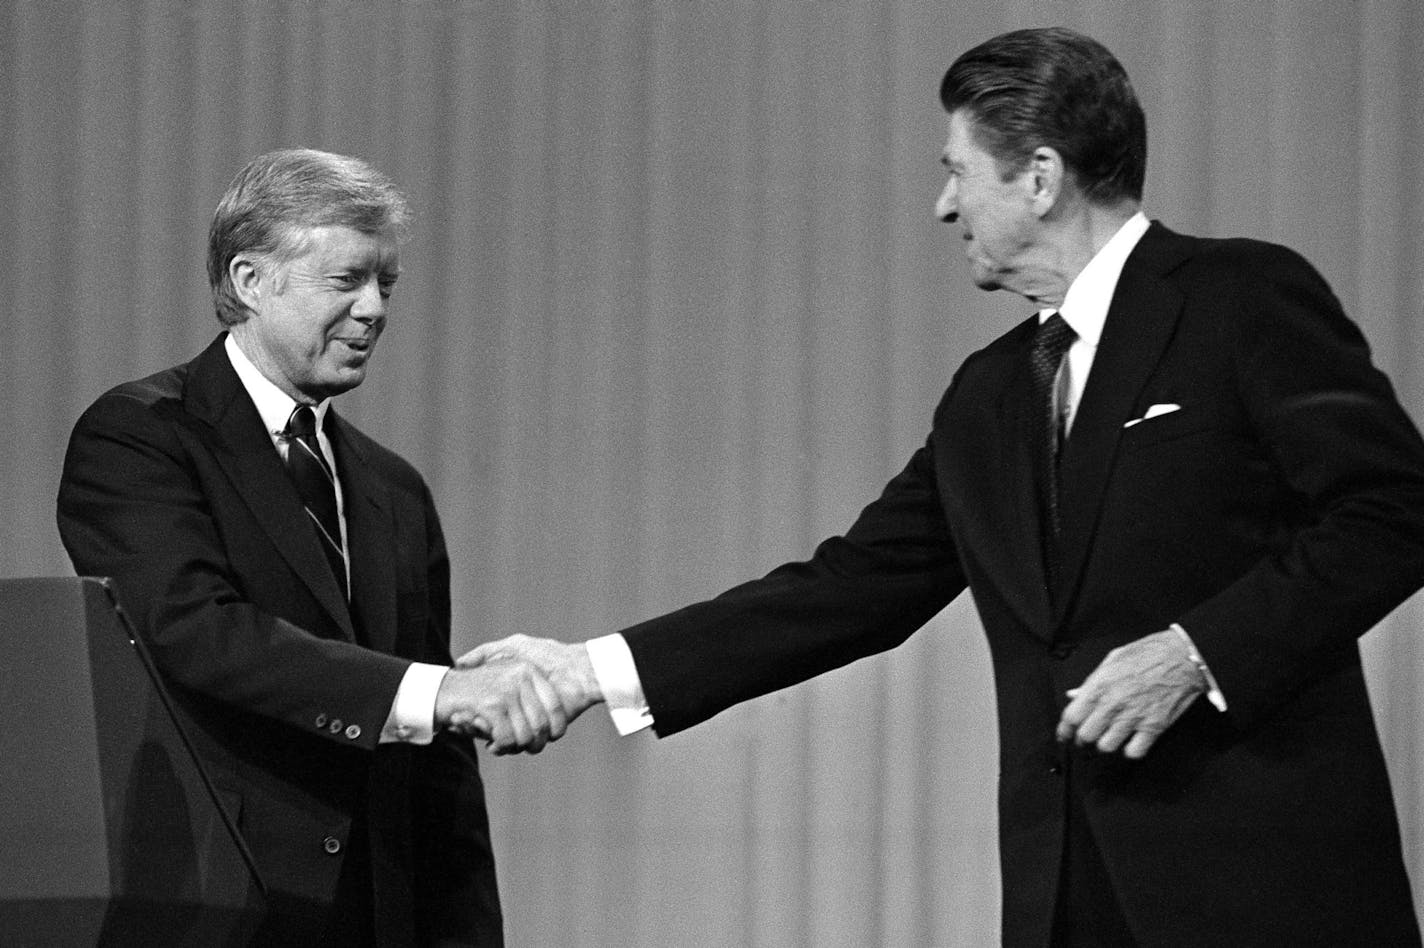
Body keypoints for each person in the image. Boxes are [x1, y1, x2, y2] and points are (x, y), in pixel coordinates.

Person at [464, 27, 1424, 946]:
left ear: (1040, 177)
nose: (943, 206)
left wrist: (1195, 652)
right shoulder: (991, 396)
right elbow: (851, 590)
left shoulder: (1238, 299)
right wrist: (587, 670)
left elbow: (1393, 508)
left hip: (1267, 893)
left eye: (956, 170)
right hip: (1067, 900)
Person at [57, 148, 568, 947]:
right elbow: (195, 633)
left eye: (386, 285)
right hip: (219, 910)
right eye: (347, 280)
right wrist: (434, 693)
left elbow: (439, 774)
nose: (374, 310)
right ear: (252, 281)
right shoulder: (143, 437)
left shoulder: (393, 488)